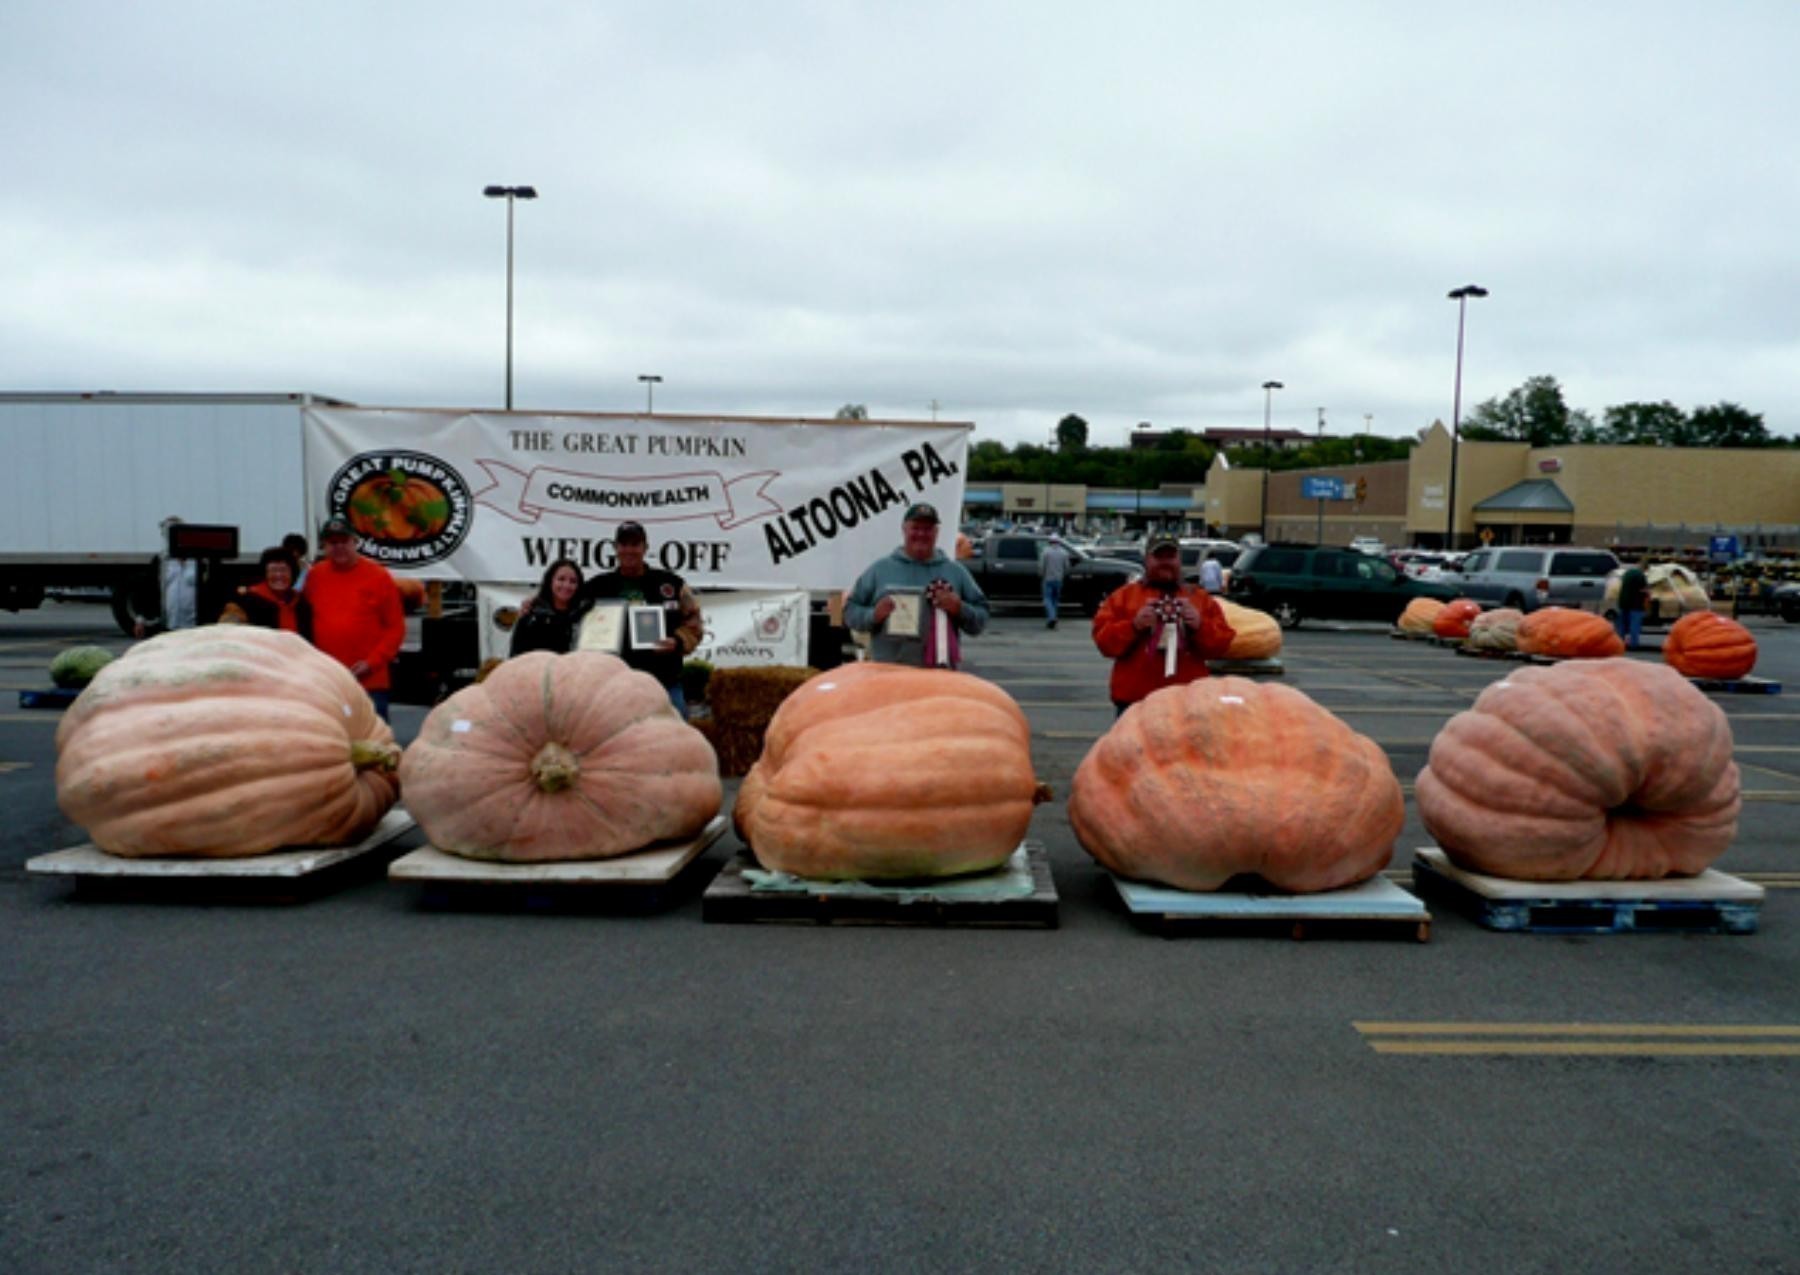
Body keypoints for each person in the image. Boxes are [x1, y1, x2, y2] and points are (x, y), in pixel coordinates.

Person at [1091, 532, 1236, 716]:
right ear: (1146, 559)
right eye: (1159, 557)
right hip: (1135, 704)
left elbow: (1222, 645)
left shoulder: (1200, 599)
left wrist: (1200, 626)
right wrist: (1133, 626)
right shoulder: (1122, 597)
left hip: (1188, 705)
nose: (1165, 562)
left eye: (1171, 556)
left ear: (1179, 559)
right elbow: (1104, 643)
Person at [577, 522, 703, 713]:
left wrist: (677, 642)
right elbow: (567, 613)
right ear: (616, 548)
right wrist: (536, 603)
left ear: (645, 548)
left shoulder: (672, 584)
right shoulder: (596, 587)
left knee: (673, 730)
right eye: (624, 544)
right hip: (611, 683)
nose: (629, 550)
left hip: (663, 682)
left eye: (635, 544)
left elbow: (694, 623)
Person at [844, 502, 989, 669]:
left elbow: (981, 619)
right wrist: (873, 615)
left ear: (936, 532)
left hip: (939, 675)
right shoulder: (879, 570)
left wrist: (960, 608)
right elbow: (850, 612)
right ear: (904, 529)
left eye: (927, 529)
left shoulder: (956, 572)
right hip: (888, 673)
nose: (921, 534)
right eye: (916, 528)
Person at [303, 515, 406, 720]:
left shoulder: (379, 576)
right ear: (324, 546)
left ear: (355, 542)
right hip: (328, 681)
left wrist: (371, 663)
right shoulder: (314, 576)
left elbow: (396, 628)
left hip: (370, 682)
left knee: (374, 738)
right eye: (333, 542)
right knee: (329, 735)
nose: (339, 547)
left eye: (344, 541)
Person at [510, 558, 588, 656]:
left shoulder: (584, 615)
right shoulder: (531, 616)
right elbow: (517, 655)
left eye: (573, 581)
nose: (567, 585)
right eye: (561, 579)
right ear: (550, 581)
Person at [231, 547, 313, 636]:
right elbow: (230, 627)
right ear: (265, 574)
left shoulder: (301, 604)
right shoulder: (247, 600)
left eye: (284, 570)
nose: (278, 575)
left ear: (293, 574)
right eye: (273, 570)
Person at [1615, 557, 1650, 651]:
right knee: (1634, 625)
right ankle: (1633, 644)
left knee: (1622, 625)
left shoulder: (1627, 573)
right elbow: (1643, 590)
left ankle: (1619, 643)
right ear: (1645, 568)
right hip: (1635, 604)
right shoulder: (1640, 576)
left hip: (1623, 602)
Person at [1040, 535, 1071, 629]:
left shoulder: (1045, 552)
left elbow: (1042, 566)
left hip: (1048, 579)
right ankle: (1052, 618)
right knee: (1055, 600)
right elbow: (1067, 567)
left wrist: (1041, 575)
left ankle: (1052, 618)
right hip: (1059, 580)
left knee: (1047, 599)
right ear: (1059, 542)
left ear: (1050, 542)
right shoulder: (1064, 553)